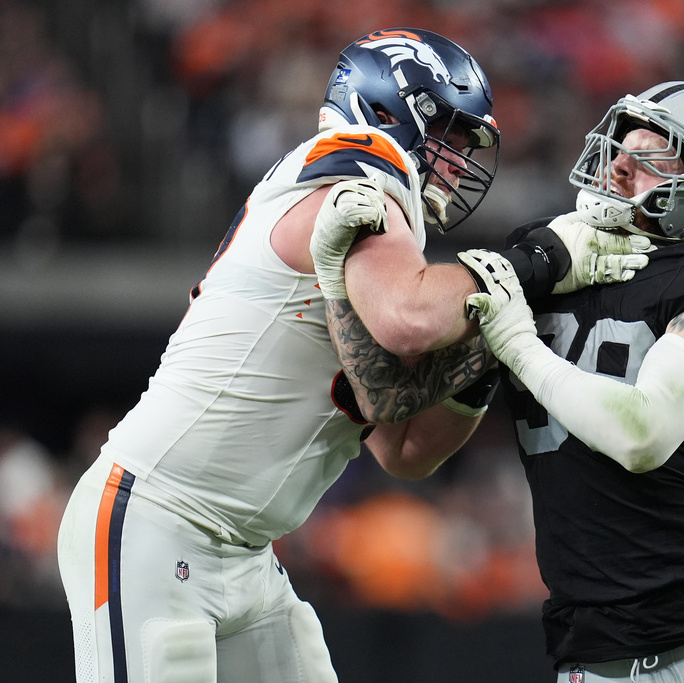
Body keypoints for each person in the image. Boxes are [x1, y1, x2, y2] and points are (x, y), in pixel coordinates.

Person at [56, 27, 648, 683]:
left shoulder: (380, 219)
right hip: (157, 521)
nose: (456, 159)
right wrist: (533, 264)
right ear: (389, 109)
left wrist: (490, 348)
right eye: (448, 132)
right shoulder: (362, 161)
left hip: (245, 554)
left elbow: (407, 449)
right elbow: (409, 320)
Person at [462, 81, 684, 682]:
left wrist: (517, 345)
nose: (621, 163)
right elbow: (413, 446)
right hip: (594, 646)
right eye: (618, 145)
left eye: (654, 155)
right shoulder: (547, 259)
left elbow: (642, 433)